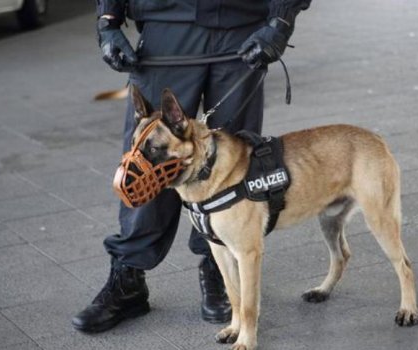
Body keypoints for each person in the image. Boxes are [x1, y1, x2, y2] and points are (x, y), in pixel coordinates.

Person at [71, 0, 311, 333]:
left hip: (242, 22)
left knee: (232, 162)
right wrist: (108, 19)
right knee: (149, 159)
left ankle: (218, 267)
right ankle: (129, 276)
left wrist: (281, 20)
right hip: (165, 22)